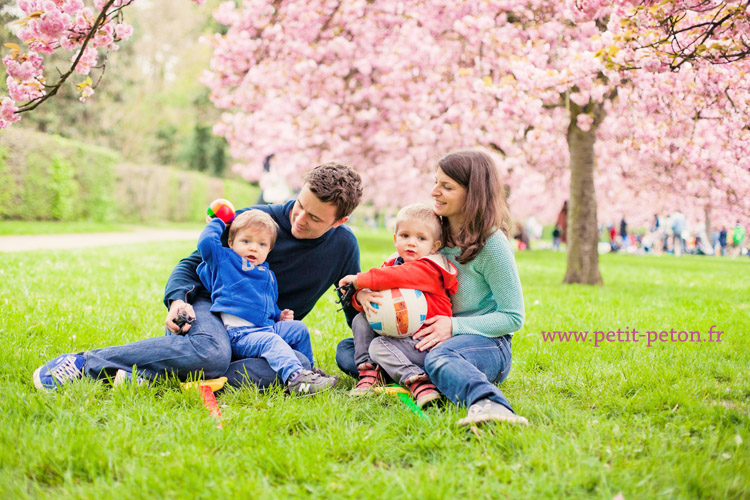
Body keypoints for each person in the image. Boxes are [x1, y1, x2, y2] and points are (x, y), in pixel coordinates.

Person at [33, 162, 363, 391]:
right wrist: (177, 300)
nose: (299, 218)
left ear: (339, 222)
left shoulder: (343, 247)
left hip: (264, 330)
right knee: (213, 354)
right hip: (215, 311)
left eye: (314, 218)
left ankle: (156, 376)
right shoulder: (256, 222)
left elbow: (355, 311)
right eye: (300, 205)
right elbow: (192, 263)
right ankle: (82, 364)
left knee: (298, 364)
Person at [336, 149, 528, 426]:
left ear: (472, 193)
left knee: (441, 356)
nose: (435, 192)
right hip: (428, 335)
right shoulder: (432, 233)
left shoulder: (492, 244)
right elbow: (398, 273)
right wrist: (364, 292)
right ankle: (426, 378)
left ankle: (489, 403)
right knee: (348, 350)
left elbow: (512, 317)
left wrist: (453, 327)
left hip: (484, 343)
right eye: (436, 182)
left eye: (446, 186)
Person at [197, 210, 337, 394]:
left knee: (298, 329)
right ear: (231, 243)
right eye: (246, 241)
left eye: (261, 244)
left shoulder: (267, 274)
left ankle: (308, 372)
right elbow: (206, 244)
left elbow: (267, 305)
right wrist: (218, 222)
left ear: (269, 250)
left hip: (265, 328)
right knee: (270, 341)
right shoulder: (226, 261)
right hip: (240, 335)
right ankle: (295, 379)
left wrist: (279, 315)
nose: (253, 248)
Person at [339, 203, 458, 407]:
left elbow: (397, 277)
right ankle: (369, 374)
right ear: (395, 239)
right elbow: (380, 286)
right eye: (405, 236)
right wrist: (361, 297)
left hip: (423, 343)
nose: (412, 243)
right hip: (397, 335)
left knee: (377, 346)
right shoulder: (392, 264)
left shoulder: (431, 268)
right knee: (358, 326)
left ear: (435, 246)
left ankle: (419, 382)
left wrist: (360, 280)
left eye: (421, 238)